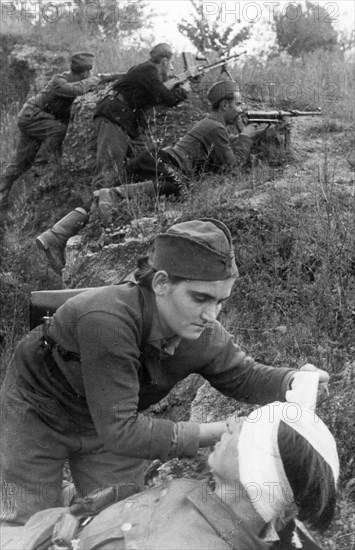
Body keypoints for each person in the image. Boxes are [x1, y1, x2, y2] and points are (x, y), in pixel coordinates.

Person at [0, 218, 330, 527]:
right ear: (161, 283)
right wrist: (228, 431)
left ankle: (71, 504)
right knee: (27, 523)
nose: (211, 315)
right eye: (200, 298)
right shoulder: (106, 319)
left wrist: (292, 381)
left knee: (120, 519)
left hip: (109, 421)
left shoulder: (202, 333)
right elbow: (121, 432)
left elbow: (244, 376)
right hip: (37, 410)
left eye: (220, 302)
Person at [0, 402, 339, 549]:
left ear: (256, 469)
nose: (233, 423)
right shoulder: (227, 505)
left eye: (248, 428)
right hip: (50, 522)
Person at [34, 80, 265, 275]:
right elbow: (231, 167)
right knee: (180, 186)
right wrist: (246, 137)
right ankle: (113, 195)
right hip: (165, 164)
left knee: (102, 197)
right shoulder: (215, 126)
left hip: (155, 161)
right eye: (238, 103)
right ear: (225, 105)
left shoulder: (213, 124)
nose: (241, 108)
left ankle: (54, 235)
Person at [0, 52, 102, 212]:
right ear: (85, 72)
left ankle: (2, 194)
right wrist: (97, 79)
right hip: (33, 116)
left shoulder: (74, 79)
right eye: (90, 72)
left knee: (21, 162)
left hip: (39, 118)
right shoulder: (59, 80)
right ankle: (41, 165)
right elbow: (77, 90)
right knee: (59, 131)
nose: (91, 74)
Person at [91, 42, 190, 189]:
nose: (172, 68)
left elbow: (157, 93)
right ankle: (98, 206)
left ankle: (130, 198)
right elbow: (167, 98)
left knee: (146, 160)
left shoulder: (145, 70)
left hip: (127, 121)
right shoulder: (148, 70)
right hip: (114, 116)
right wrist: (184, 90)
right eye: (171, 64)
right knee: (108, 170)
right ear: (164, 61)